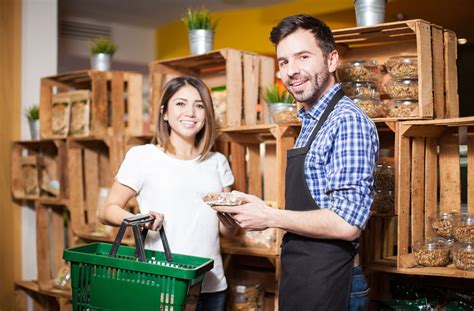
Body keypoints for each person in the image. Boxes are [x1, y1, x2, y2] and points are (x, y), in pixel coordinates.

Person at [211, 15, 378, 310]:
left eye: (303, 56)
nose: (291, 70)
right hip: (304, 279)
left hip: (332, 283)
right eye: (284, 61)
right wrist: (255, 206)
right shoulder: (312, 122)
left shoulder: (347, 121)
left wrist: (270, 217)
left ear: (331, 60)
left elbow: (348, 223)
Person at [99, 76, 239, 311]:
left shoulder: (218, 162)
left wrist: (232, 220)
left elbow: (227, 232)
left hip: (211, 286)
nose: (191, 112)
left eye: (199, 105)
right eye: (181, 103)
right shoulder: (142, 156)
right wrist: (141, 220)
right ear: (164, 113)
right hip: (160, 283)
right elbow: (106, 211)